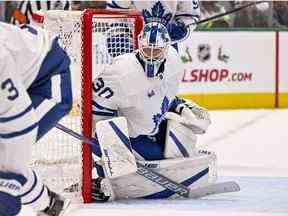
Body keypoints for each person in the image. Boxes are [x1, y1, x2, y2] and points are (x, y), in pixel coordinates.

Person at [91, 16, 211, 200]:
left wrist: (180, 106)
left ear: (167, 47)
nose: (152, 55)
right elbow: (96, 107)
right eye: (147, 49)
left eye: (157, 51)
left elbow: (162, 94)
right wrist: (112, 145)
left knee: (184, 147)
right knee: (161, 161)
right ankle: (98, 177)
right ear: (139, 45)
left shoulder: (174, 61)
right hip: (132, 136)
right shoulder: (121, 71)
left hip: (153, 127)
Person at [0, 21, 72, 215]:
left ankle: (47, 204)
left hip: (47, 78)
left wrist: (8, 183)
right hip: (17, 75)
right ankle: (51, 204)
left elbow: (18, 122)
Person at [107, 0, 200, 44]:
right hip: (133, 43)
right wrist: (117, 34)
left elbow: (190, 16)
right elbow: (115, 11)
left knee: (166, 79)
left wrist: (182, 30)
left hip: (167, 45)